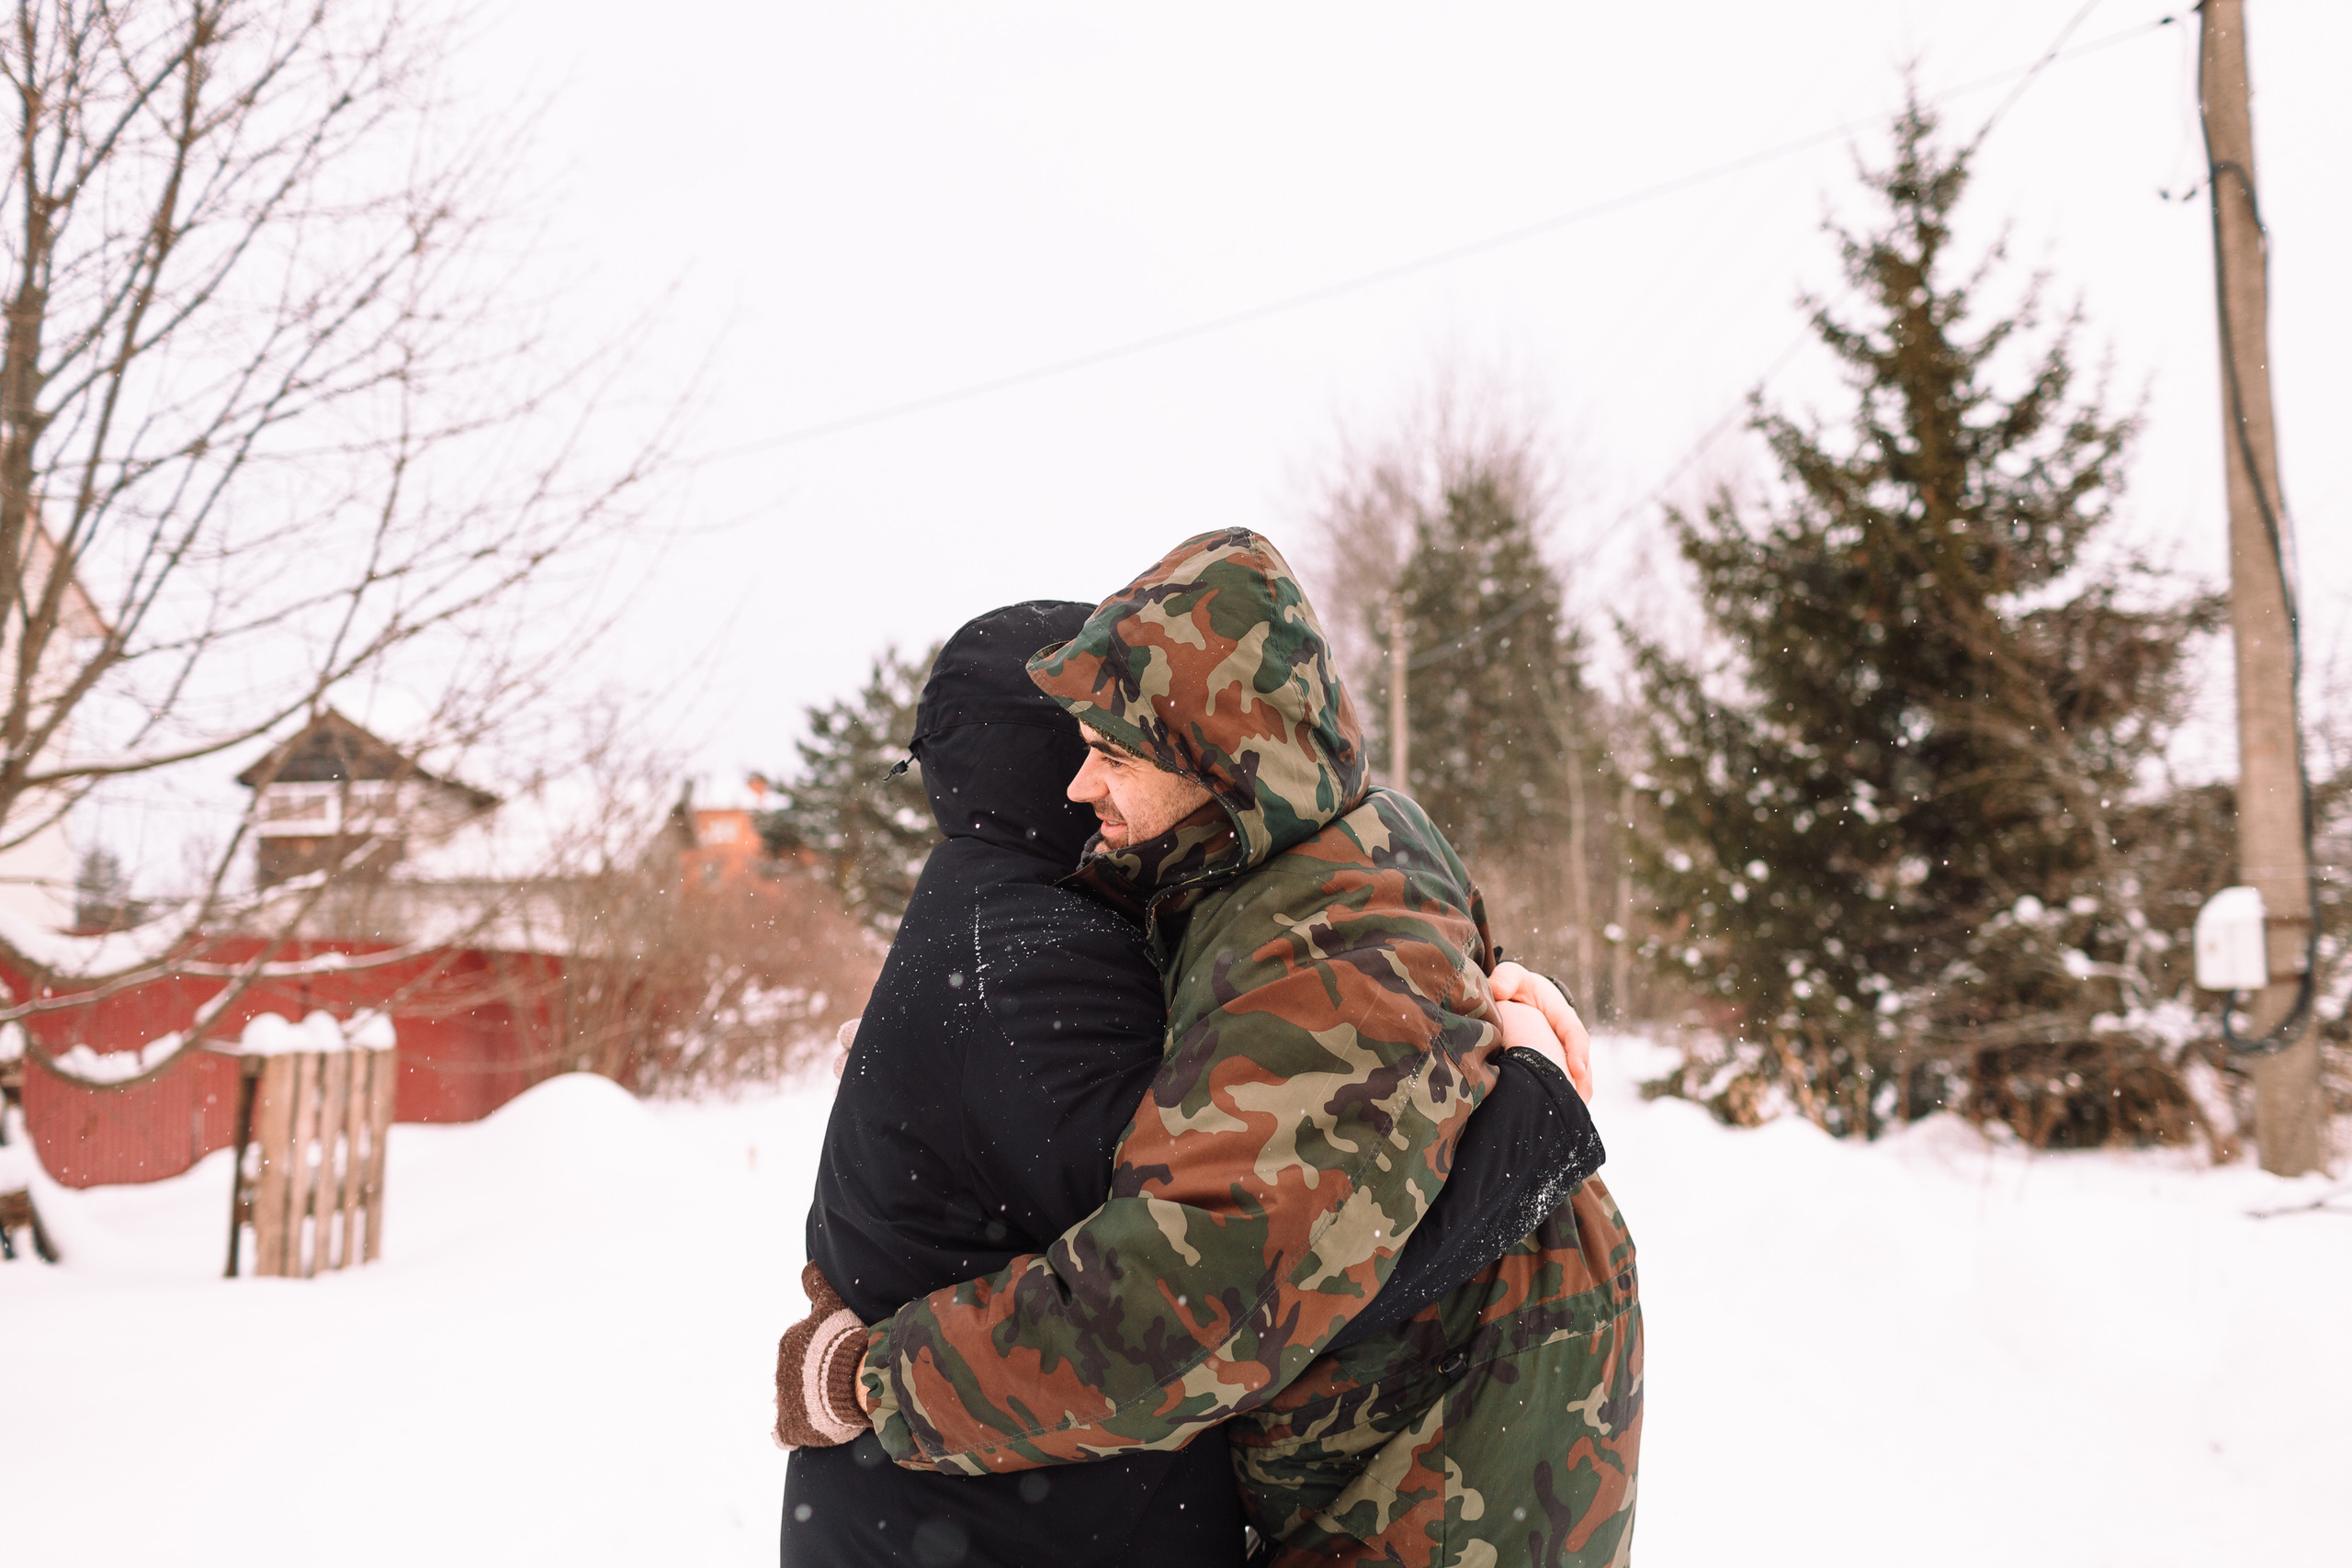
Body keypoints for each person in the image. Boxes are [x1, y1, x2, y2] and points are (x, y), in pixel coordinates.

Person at [782, 535, 1641, 1565]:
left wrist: (873, 1380)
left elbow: (1190, 1309)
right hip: (1390, 1446)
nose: (1076, 788)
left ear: (1211, 757)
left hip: (1439, 1481)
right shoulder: (1269, 850)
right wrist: (932, 1058)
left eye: (1108, 753)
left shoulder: (1330, 949)